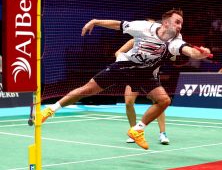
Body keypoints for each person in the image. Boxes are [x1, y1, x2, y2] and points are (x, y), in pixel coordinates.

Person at [40, 9, 211, 150]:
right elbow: (118, 25)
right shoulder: (144, 27)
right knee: (87, 89)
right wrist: (95, 21)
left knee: (164, 100)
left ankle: (138, 130)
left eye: (181, 23)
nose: (180, 26)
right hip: (125, 65)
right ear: (165, 23)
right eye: (177, 22)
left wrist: (200, 53)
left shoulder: (175, 41)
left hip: (145, 73)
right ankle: (50, 109)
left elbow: (188, 51)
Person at [115, 38, 170, 145]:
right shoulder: (134, 41)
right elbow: (118, 52)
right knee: (128, 102)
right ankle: (134, 132)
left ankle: (163, 133)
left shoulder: (160, 44)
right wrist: (124, 61)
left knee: (159, 102)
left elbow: (172, 57)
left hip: (150, 77)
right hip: (133, 75)